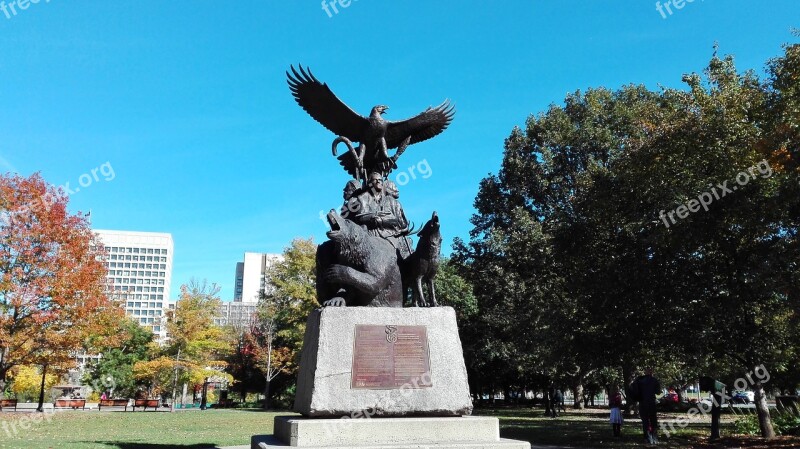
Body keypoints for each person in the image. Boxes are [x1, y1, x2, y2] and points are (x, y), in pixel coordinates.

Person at [635, 367, 661, 444]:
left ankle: (646, 437)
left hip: (642, 403)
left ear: (645, 372)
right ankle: (654, 437)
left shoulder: (639, 380)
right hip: (651, 402)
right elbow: (658, 392)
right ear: (651, 372)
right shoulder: (654, 380)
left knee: (645, 421)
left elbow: (635, 391)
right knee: (653, 420)